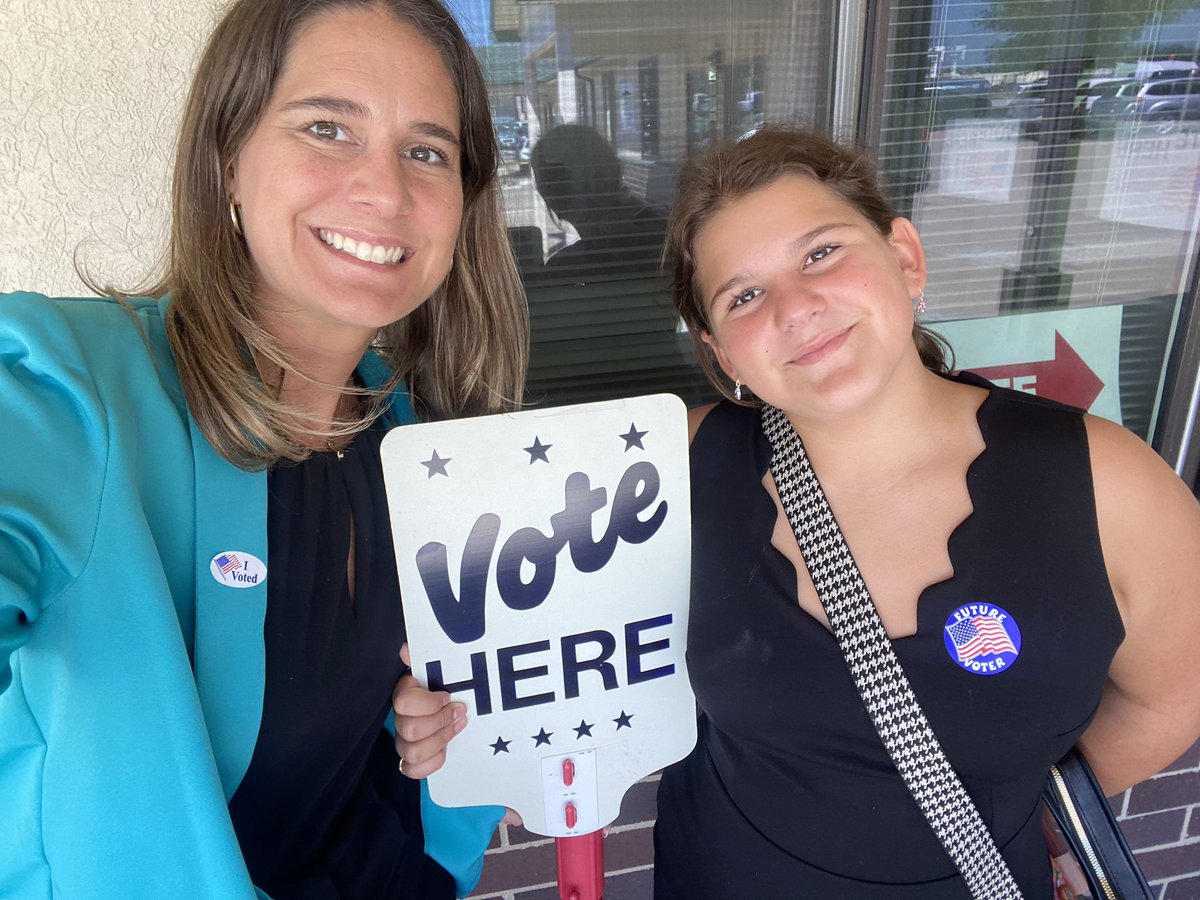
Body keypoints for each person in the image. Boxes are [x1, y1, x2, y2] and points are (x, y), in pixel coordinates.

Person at [393, 125, 1200, 897]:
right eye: (743, 295)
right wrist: (449, 698)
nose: (795, 306)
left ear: (905, 258)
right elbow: (502, 601)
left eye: (821, 252)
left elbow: (1173, 693)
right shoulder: (665, 468)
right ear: (720, 355)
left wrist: (1033, 814)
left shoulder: (1102, 480)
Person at [0, 1, 526, 897]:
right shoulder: (71, 390)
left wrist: (426, 739)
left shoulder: (416, 442)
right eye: (328, 128)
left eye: (428, 151)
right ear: (227, 160)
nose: (387, 192)